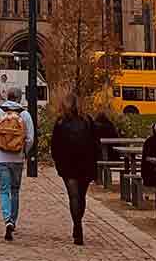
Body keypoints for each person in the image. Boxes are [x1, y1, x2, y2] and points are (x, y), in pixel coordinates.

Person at [48, 95, 99, 246]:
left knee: (74, 196)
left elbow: (54, 146)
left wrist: (58, 162)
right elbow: (96, 143)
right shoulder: (88, 121)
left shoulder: (61, 122)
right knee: (81, 196)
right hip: (85, 164)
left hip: (68, 165)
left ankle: (77, 225)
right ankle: (78, 222)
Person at [0, 88, 35, 241]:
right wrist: (24, 152)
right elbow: (30, 139)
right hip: (18, 158)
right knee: (15, 191)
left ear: (7, 97)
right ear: (19, 98)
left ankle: (7, 219)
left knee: (4, 190)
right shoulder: (25, 114)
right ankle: (13, 221)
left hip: (2, 158)